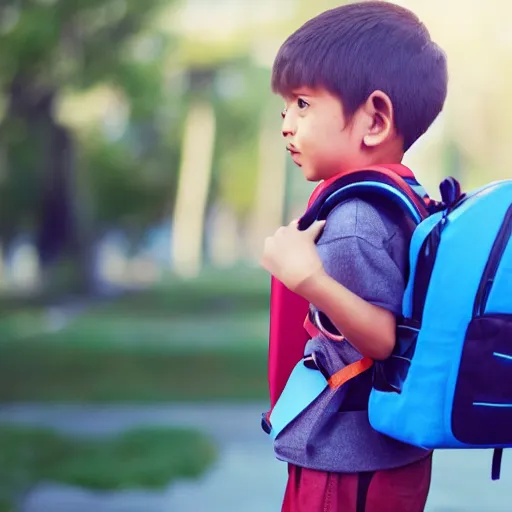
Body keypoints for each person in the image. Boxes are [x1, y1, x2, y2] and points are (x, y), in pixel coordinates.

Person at [259, 2, 448, 511]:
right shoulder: (399, 198)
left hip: (347, 470)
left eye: (302, 103)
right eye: (285, 107)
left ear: (374, 119)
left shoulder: (354, 223)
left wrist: (309, 280)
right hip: (379, 460)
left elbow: (383, 339)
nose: (286, 124)